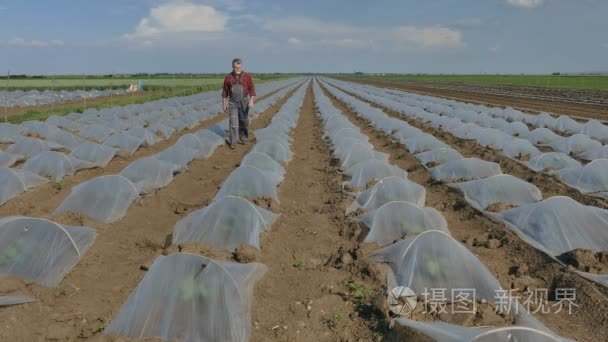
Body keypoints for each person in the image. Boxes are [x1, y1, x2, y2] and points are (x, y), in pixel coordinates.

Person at [221, 58, 256, 148]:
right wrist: (224, 104)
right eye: (236, 67)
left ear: (242, 66)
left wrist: (251, 100)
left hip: (244, 102)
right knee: (233, 122)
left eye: (239, 67)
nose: (238, 69)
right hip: (233, 102)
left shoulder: (247, 76)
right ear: (233, 67)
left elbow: (252, 89)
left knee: (244, 121)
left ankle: (243, 137)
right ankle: (233, 142)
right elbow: (225, 92)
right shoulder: (228, 77)